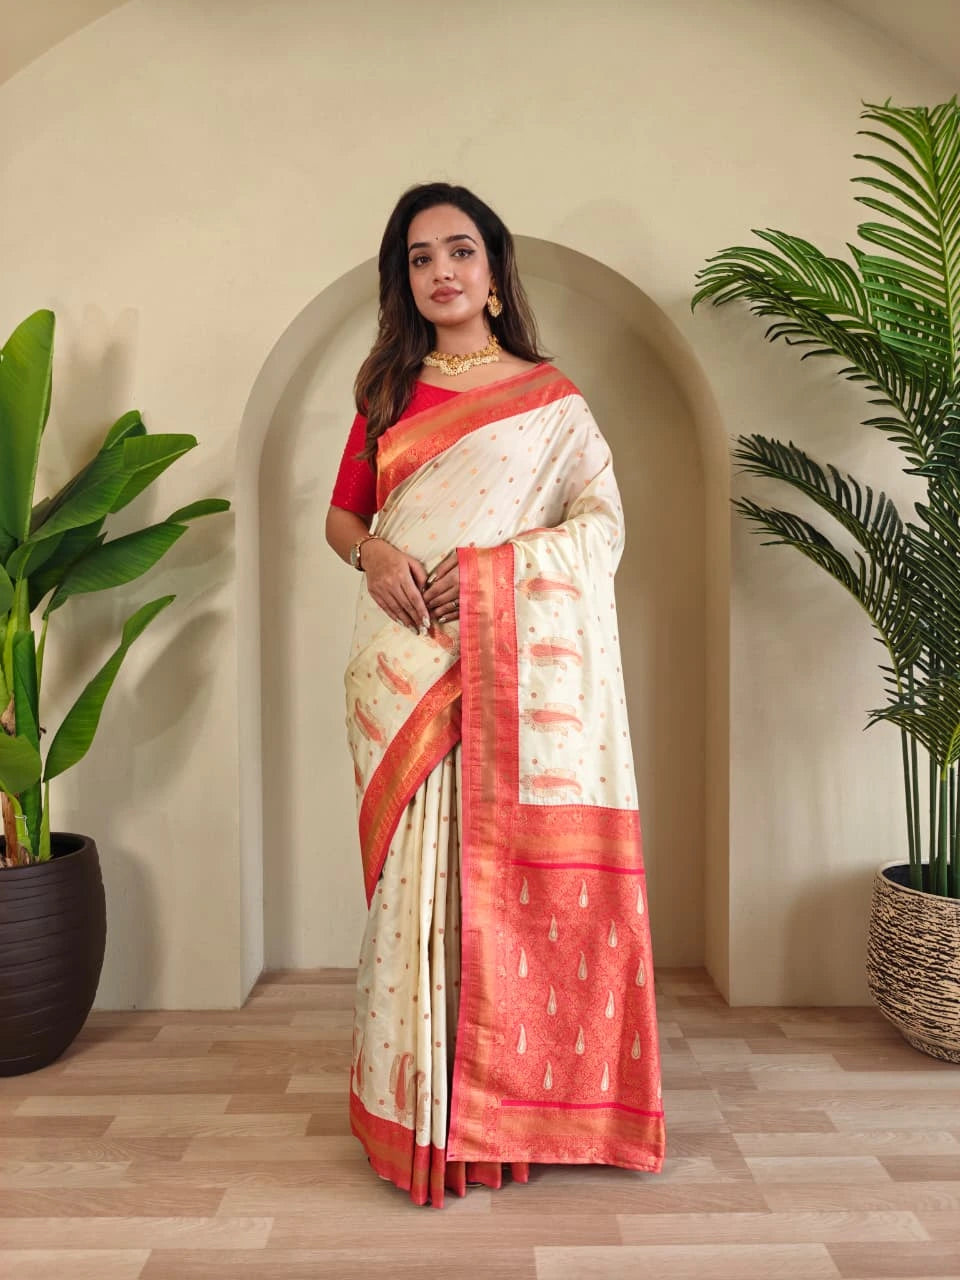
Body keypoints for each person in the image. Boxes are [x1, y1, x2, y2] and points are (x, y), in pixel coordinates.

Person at [326, 182, 664, 1208]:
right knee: (415, 895)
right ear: (405, 279)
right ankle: (423, 1109)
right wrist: (376, 550)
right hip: (403, 667)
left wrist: (491, 571)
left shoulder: (553, 401)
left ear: (493, 267)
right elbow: (341, 521)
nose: (441, 272)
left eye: (458, 251)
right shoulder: (385, 394)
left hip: (508, 673)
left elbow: (600, 527)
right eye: (420, 258)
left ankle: (507, 1112)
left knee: (498, 886)